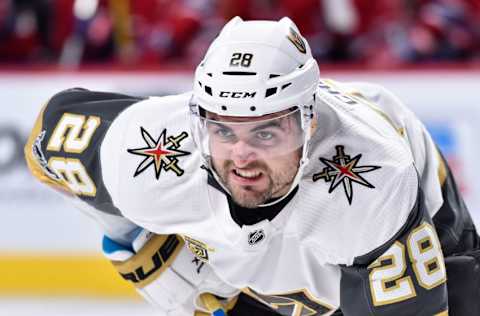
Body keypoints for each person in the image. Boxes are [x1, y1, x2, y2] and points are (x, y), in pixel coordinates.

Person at [25, 17, 480, 316]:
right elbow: (46, 143)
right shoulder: (150, 149)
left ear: (310, 122)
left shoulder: (372, 181)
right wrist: (137, 247)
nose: (241, 157)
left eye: (265, 132)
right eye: (224, 130)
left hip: (413, 223)